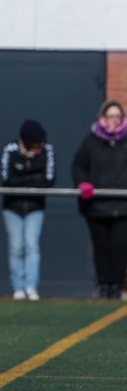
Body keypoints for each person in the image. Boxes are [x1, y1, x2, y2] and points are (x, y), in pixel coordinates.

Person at [72, 100, 127, 300]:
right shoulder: (92, 141)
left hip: (122, 206)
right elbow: (78, 165)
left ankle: (115, 285)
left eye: (118, 117)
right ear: (103, 118)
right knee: (101, 247)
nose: (114, 120)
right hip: (97, 206)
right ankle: (103, 284)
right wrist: (83, 184)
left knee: (120, 247)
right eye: (111, 116)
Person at [0, 120, 54, 301]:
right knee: (16, 247)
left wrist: (22, 174)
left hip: (35, 207)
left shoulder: (47, 150)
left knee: (31, 245)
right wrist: (32, 176)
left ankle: (31, 287)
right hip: (12, 208)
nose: (39, 147)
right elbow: (6, 179)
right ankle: (18, 288)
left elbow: (48, 180)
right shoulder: (10, 149)